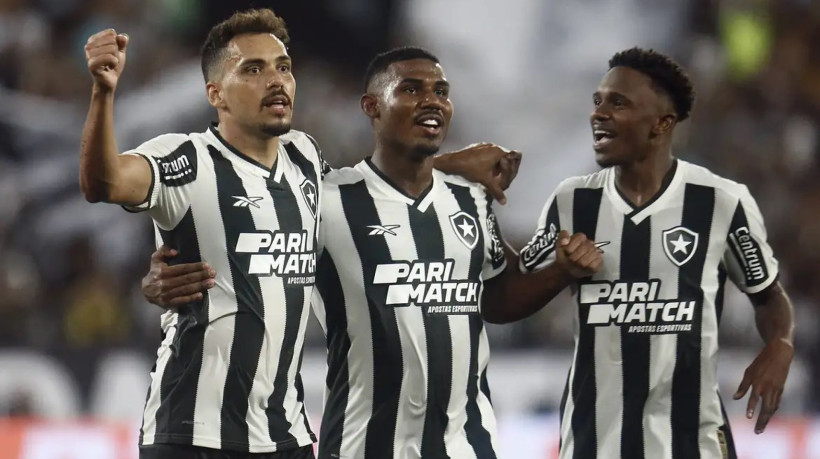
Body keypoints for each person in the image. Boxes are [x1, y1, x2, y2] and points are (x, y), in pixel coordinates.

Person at [80, 9, 516, 459]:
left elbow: (368, 194)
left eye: (283, 67)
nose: (276, 81)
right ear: (216, 94)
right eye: (253, 70)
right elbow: (104, 182)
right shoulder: (188, 159)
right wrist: (103, 92)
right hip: (192, 432)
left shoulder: (304, 157)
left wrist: (451, 163)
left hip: (285, 434)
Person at [493, 48, 795, 459]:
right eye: (597, 101)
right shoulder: (573, 202)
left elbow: (769, 296)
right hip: (594, 442)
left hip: (692, 442)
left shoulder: (720, 202)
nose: (598, 114)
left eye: (618, 103)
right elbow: (508, 298)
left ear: (661, 123)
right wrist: (559, 271)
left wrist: (780, 344)